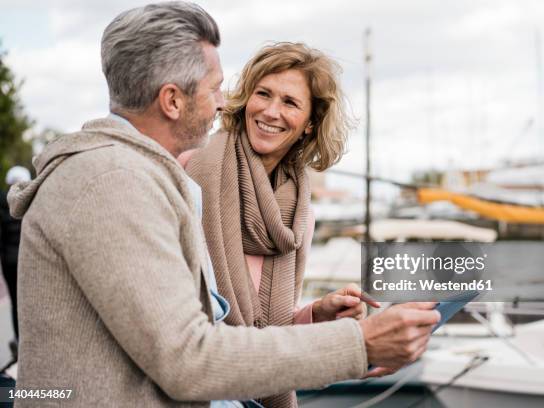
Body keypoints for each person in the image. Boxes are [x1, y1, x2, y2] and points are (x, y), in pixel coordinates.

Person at [8, 2, 440, 407]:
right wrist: (358, 344)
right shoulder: (115, 181)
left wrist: (315, 319)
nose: (222, 102)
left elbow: (197, 329)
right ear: (173, 100)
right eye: (215, 88)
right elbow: (188, 357)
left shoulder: (138, 175)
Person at [182, 43, 374, 406]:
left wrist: (318, 314)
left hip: (254, 390)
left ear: (309, 125)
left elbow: (275, 328)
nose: (271, 111)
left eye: (290, 102)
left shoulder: (299, 214)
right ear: (246, 99)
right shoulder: (191, 171)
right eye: (263, 94)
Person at [0, 166, 31, 360]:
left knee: (15, 302)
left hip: (8, 260)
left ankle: (19, 340)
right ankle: (31, 344)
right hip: (28, 259)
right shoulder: (32, 200)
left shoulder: (2, 203)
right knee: (31, 301)